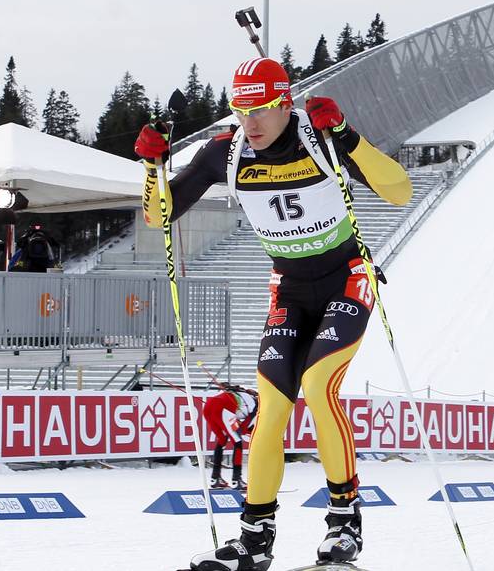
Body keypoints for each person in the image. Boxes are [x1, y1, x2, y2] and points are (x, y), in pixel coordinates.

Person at [135, 57, 412, 571]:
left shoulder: (319, 138)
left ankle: (344, 521)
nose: (251, 123)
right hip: (289, 291)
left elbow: (400, 191)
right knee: (271, 409)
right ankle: (255, 538)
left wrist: (347, 136)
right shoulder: (227, 152)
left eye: (261, 109)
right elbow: (160, 216)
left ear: (286, 103)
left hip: (346, 279)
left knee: (319, 386)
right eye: (241, 111)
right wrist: (153, 168)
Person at [203, 385, 258, 490]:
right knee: (238, 442)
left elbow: (241, 426)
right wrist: (250, 432)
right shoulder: (257, 407)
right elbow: (244, 428)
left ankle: (215, 478)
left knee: (222, 440)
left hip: (208, 406)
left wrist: (240, 428)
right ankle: (236, 480)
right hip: (223, 407)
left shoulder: (243, 396)